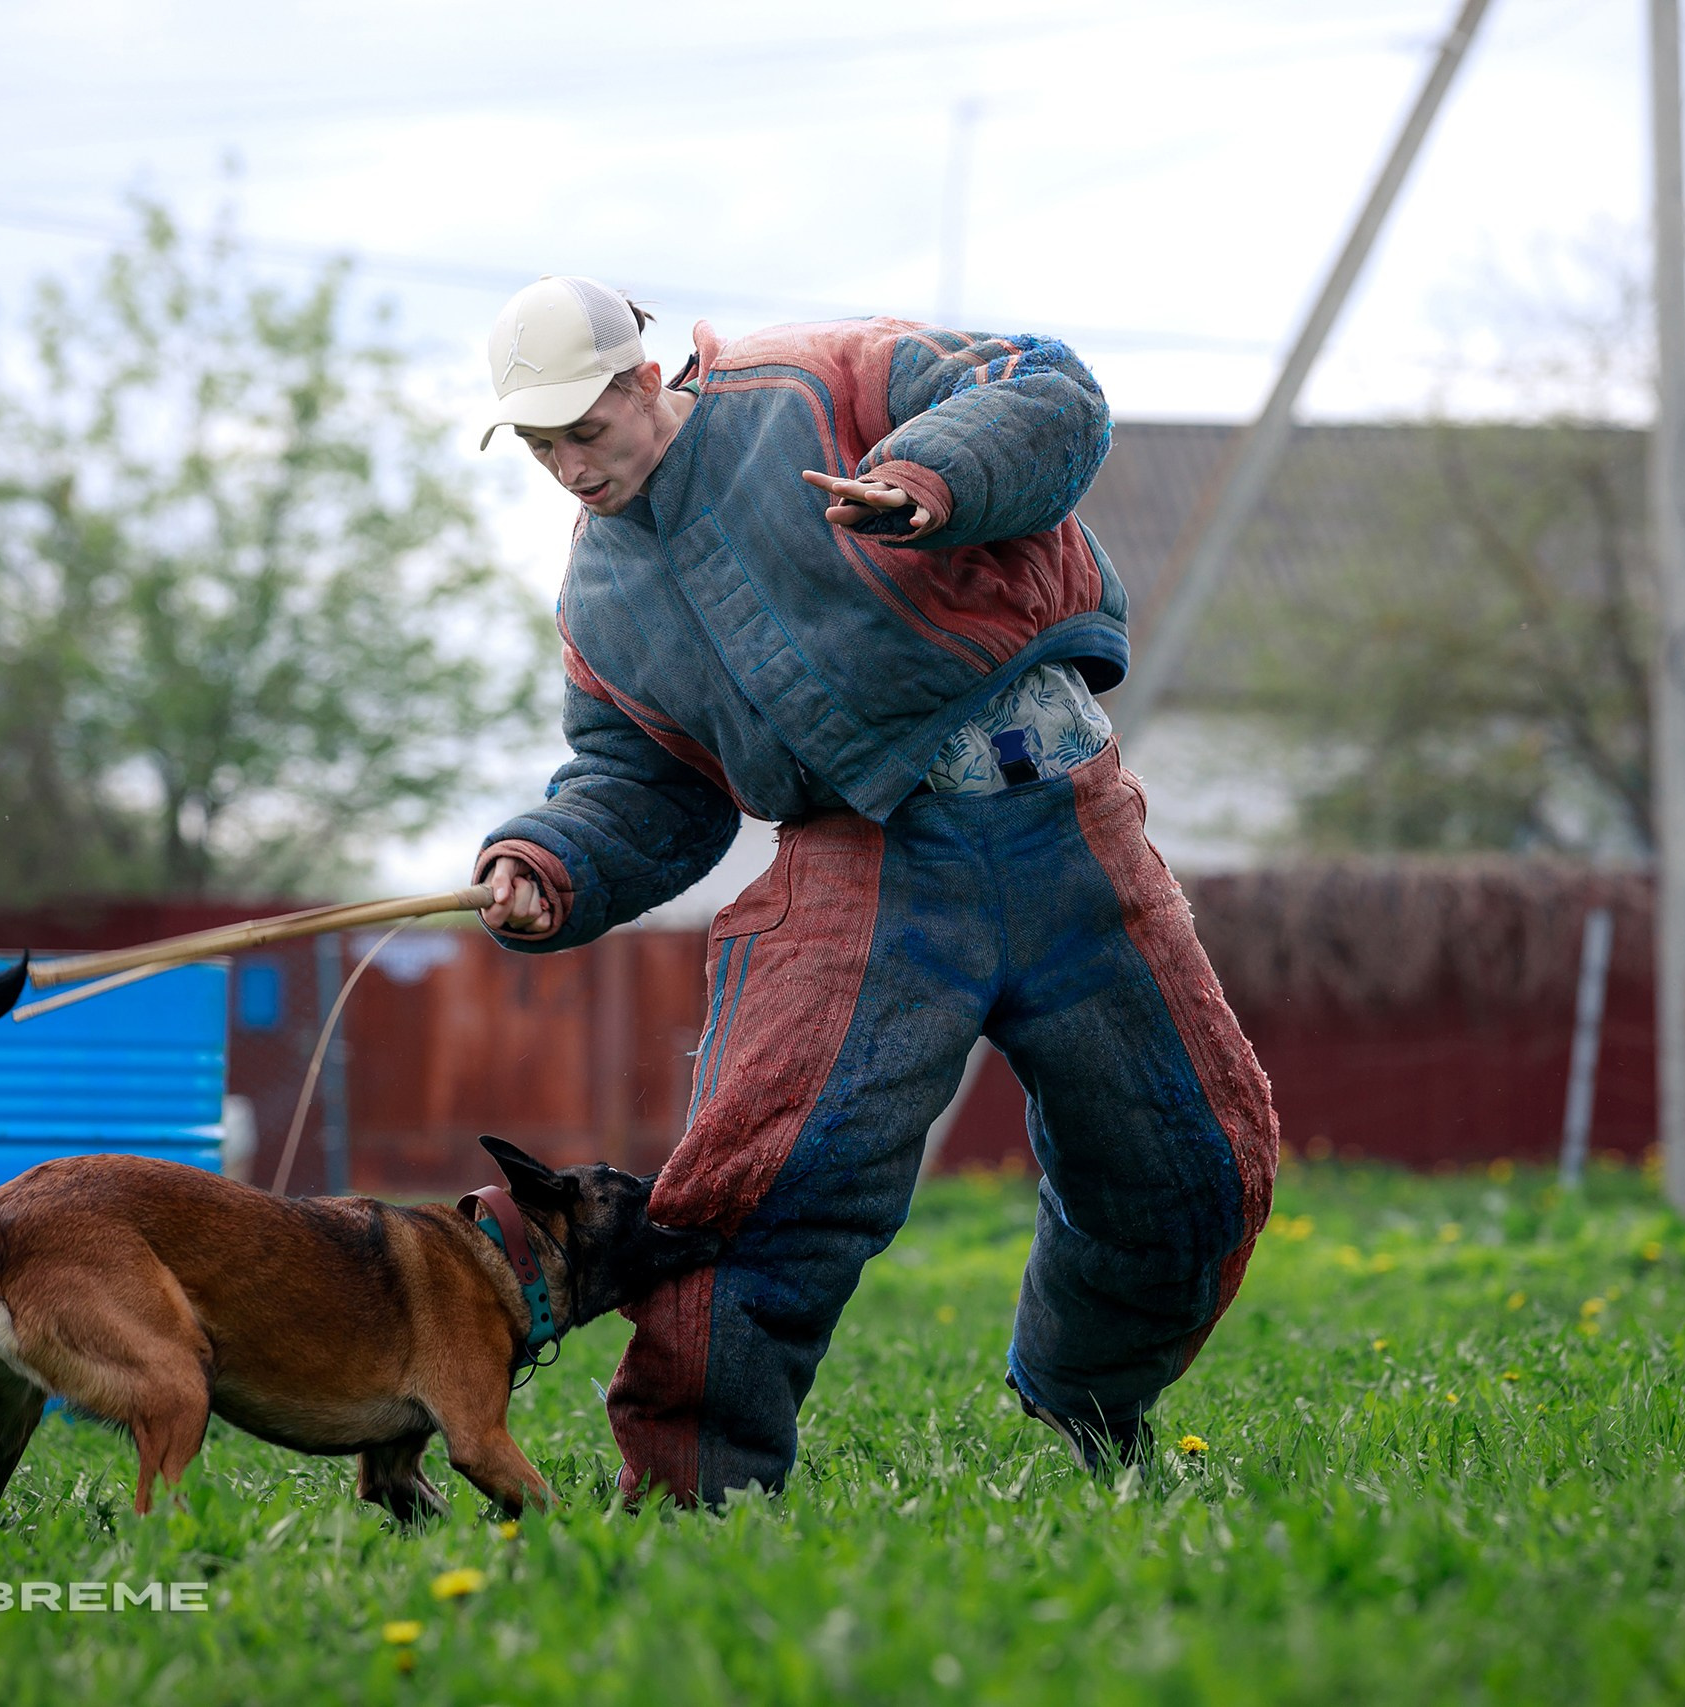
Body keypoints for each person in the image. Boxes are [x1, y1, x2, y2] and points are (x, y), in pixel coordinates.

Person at [471, 274, 1277, 1504]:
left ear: (648, 381)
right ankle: (691, 1495)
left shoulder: (814, 380)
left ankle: (1086, 1402)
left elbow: (1044, 389)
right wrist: (551, 865)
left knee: (1191, 1166)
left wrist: (927, 482)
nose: (572, 469)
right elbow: (640, 785)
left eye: (587, 432)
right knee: (757, 1185)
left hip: (1073, 824)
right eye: (541, 449)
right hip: (866, 865)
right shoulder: (602, 603)